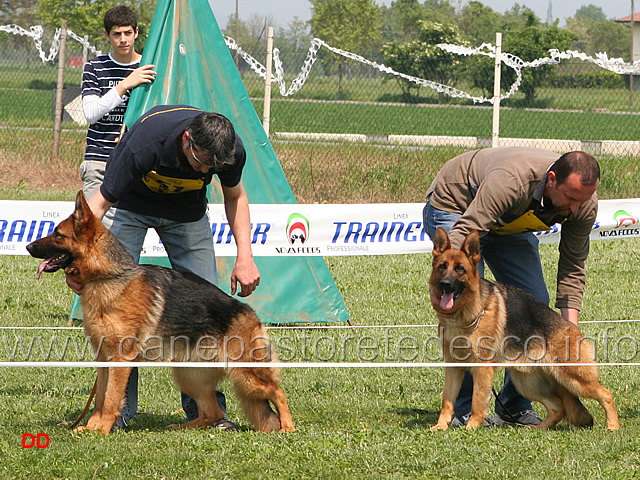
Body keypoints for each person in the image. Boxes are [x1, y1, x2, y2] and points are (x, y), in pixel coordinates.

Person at [68, 104, 260, 431]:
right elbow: (98, 205)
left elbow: (235, 197)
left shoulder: (228, 150)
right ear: (186, 140)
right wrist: (77, 263)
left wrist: (246, 255)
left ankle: (208, 415)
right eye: (201, 163)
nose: (205, 173)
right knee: (119, 312)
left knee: (205, 309)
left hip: (187, 215)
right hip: (131, 207)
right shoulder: (145, 143)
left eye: (213, 167)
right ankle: (116, 416)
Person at [423, 146, 600, 427]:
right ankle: (463, 411)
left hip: (509, 223)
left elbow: (573, 267)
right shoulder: (511, 181)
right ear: (552, 180)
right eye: (570, 198)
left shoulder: (582, 203)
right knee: (467, 302)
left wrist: (569, 334)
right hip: (458, 206)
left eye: (583, 200)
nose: (576, 207)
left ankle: (513, 406)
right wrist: (443, 287)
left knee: (535, 299)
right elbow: (468, 228)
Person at [81, 5, 156, 203]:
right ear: (107, 35)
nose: (123, 39)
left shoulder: (149, 68)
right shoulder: (94, 67)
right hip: (99, 160)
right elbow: (91, 113)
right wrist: (125, 85)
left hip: (136, 161)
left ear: (136, 33)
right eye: (117, 34)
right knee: (93, 229)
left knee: (128, 231)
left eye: (128, 33)